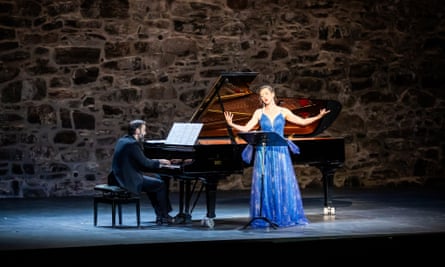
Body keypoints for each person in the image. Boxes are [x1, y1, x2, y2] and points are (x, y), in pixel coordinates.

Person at [224, 85, 330, 228]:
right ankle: (267, 215)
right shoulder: (259, 112)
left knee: (281, 182)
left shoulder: (283, 111)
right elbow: (247, 128)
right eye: (261, 95)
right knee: (266, 183)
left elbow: (302, 122)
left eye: (266, 94)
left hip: (280, 152)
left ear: (273, 94)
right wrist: (232, 124)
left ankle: (282, 214)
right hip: (264, 152)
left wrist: (319, 116)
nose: (264, 97)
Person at [110, 119, 175, 225]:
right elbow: (145, 163)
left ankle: (161, 215)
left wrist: (155, 163)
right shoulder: (132, 144)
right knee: (161, 185)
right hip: (128, 180)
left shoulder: (123, 140)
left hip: (118, 178)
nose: (145, 133)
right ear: (137, 131)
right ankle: (164, 216)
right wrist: (160, 161)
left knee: (154, 185)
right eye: (144, 130)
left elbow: (141, 163)